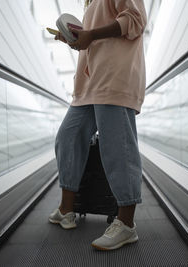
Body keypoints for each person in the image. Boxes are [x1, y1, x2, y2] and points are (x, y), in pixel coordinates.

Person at [49, 0, 147, 251]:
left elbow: (135, 19)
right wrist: (76, 38)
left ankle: (126, 224)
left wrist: (90, 34)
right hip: (89, 83)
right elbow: (94, 38)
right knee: (67, 139)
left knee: (118, 147)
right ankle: (66, 209)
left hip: (114, 76)